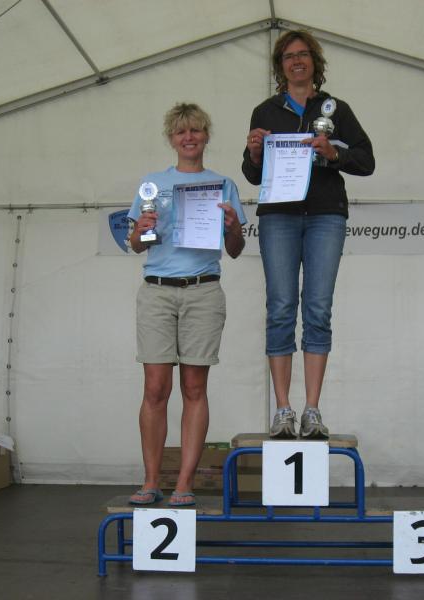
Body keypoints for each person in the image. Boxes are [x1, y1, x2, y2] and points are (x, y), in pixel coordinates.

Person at [242, 30, 375, 439]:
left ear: (315, 62)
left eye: (303, 54)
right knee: (281, 308)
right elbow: (251, 173)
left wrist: (334, 154)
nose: (296, 61)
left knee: (317, 309)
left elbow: (366, 161)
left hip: (325, 216)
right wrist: (254, 152)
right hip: (279, 216)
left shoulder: (337, 109)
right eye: (288, 56)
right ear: (279, 66)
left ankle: (312, 409)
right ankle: (283, 410)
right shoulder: (265, 111)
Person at [128, 102, 246, 506]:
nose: (189, 138)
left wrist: (233, 228)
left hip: (203, 290)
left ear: (206, 136)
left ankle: (184, 483)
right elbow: (135, 244)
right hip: (157, 290)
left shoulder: (223, 184)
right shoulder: (152, 184)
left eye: (195, 130)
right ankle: (150, 481)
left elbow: (235, 249)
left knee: (195, 387)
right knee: (155, 388)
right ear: (171, 139)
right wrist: (142, 231)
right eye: (181, 132)